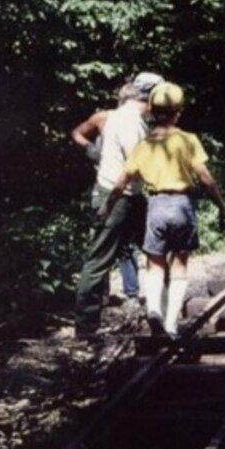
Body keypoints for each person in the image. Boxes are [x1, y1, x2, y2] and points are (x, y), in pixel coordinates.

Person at [102, 81, 225, 339]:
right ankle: (171, 324)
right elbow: (206, 179)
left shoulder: (144, 145)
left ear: (152, 110)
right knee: (180, 263)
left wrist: (107, 206)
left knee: (155, 263)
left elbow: (121, 181)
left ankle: (153, 310)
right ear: (178, 112)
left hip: (156, 206)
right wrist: (222, 208)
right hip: (182, 205)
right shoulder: (188, 140)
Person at [73, 71, 162, 339]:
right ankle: (86, 329)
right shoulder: (129, 122)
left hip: (130, 196)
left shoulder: (128, 117)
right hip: (117, 196)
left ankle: (158, 310)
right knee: (98, 261)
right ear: (152, 97)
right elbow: (136, 166)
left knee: (155, 248)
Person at [71, 84, 141, 303]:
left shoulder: (136, 121)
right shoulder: (104, 117)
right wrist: (91, 150)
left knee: (127, 245)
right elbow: (77, 133)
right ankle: (100, 297)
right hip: (108, 184)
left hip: (130, 187)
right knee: (102, 246)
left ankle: (131, 293)